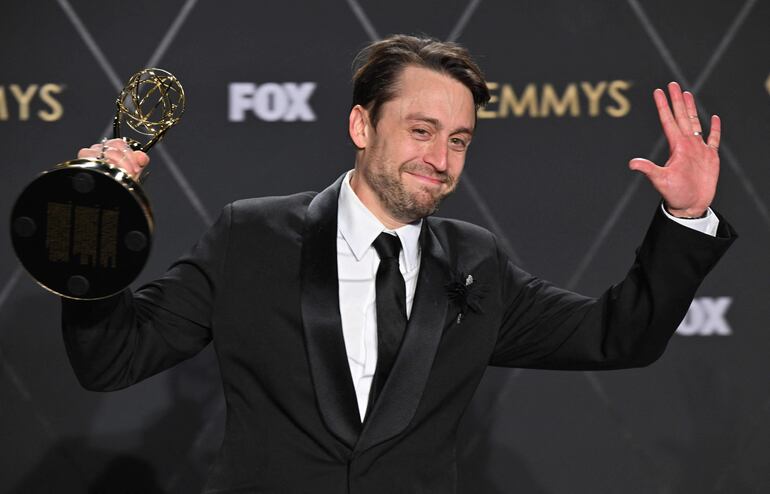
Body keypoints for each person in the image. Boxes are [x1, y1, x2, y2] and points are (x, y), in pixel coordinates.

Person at [66, 35, 735, 493]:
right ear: (362, 126)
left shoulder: (478, 262)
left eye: (459, 140)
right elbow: (113, 358)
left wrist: (686, 218)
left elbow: (618, 335)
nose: (440, 159)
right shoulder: (253, 236)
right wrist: (91, 235)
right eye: (420, 131)